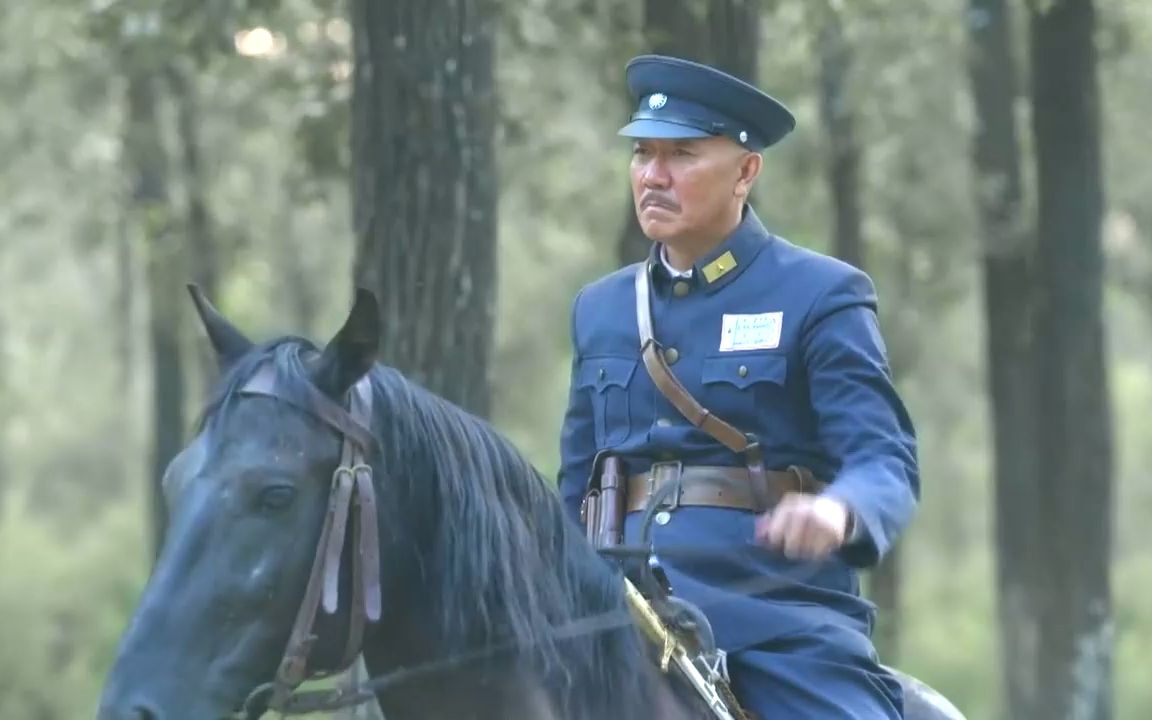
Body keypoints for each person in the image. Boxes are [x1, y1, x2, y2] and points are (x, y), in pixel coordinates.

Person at [557, 54, 919, 719]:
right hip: (608, 609)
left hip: (770, 615)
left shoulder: (820, 294)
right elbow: (576, 484)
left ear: (746, 171)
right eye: (642, 154)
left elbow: (883, 460)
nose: (653, 176)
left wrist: (838, 511)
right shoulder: (600, 309)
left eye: (682, 155)